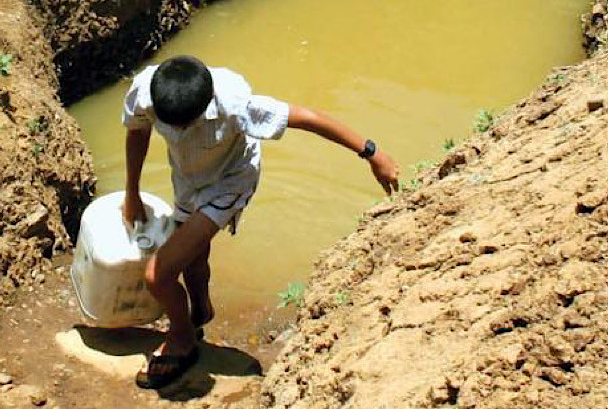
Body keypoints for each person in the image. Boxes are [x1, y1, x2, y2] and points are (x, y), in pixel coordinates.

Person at [119, 55, 400, 389]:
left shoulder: (237, 105)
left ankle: (182, 340)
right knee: (192, 258)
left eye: (185, 126)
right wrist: (131, 192)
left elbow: (307, 118)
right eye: (171, 125)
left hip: (231, 182)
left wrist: (373, 154)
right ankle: (200, 313)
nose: (176, 131)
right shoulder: (146, 91)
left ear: (205, 106)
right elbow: (138, 132)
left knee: (157, 275)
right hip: (188, 177)